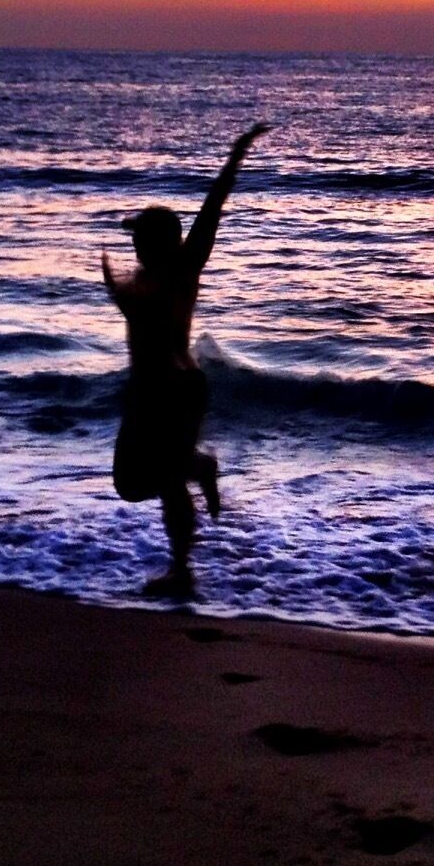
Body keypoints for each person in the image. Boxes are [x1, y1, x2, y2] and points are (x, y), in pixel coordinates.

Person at [102, 122, 272, 595]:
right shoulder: (159, 272)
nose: (133, 245)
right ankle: (197, 469)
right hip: (167, 386)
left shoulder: (173, 270)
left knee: (154, 480)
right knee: (139, 480)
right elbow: (212, 206)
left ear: (154, 242)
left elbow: (213, 209)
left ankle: (182, 570)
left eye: (139, 237)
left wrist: (235, 158)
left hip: (168, 387)